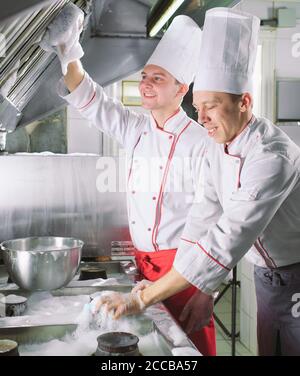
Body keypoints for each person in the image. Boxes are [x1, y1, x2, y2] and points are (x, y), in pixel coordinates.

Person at [97, 8, 300, 356]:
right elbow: (200, 224)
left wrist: (141, 298)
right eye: (197, 106)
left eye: (212, 106)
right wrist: (201, 290)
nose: (201, 118)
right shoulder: (220, 146)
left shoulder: (272, 156)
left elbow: (226, 239)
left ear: (245, 102)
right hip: (268, 280)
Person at [50, 12, 216, 355]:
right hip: (143, 270)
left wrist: (206, 291)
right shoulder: (136, 128)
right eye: (144, 76)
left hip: (184, 274)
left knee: (185, 352)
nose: (146, 84)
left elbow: (216, 222)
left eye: (158, 78)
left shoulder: (202, 143)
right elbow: (89, 97)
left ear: (181, 89)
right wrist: (67, 48)